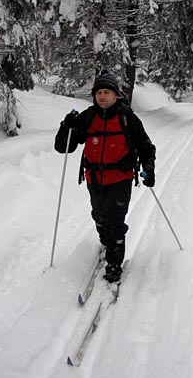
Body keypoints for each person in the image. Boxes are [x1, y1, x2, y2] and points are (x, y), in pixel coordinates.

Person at [54, 69, 156, 283]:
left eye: (106, 92)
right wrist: (66, 127)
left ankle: (114, 265)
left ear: (116, 94)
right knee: (99, 217)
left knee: (116, 222)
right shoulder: (88, 117)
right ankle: (105, 240)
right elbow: (63, 147)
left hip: (121, 179)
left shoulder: (127, 117)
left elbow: (146, 146)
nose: (102, 96)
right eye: (98, 92)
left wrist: (149, 168)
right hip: (94, 179)